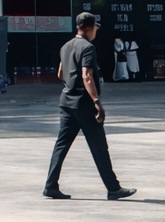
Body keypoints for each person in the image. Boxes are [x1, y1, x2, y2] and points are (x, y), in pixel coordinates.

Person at [43, 12, 135, 201]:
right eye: (95, 29)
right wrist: (96, 101)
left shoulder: (66, 46)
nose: (95, 32)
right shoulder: (87, 48)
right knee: (99, 145)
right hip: (83, 103)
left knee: (61, 144)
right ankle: (113, 188)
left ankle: (50, 185)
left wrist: (71, 84)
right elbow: (87, 76)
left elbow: (60, 73)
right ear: (89, 28)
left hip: (66, 102)